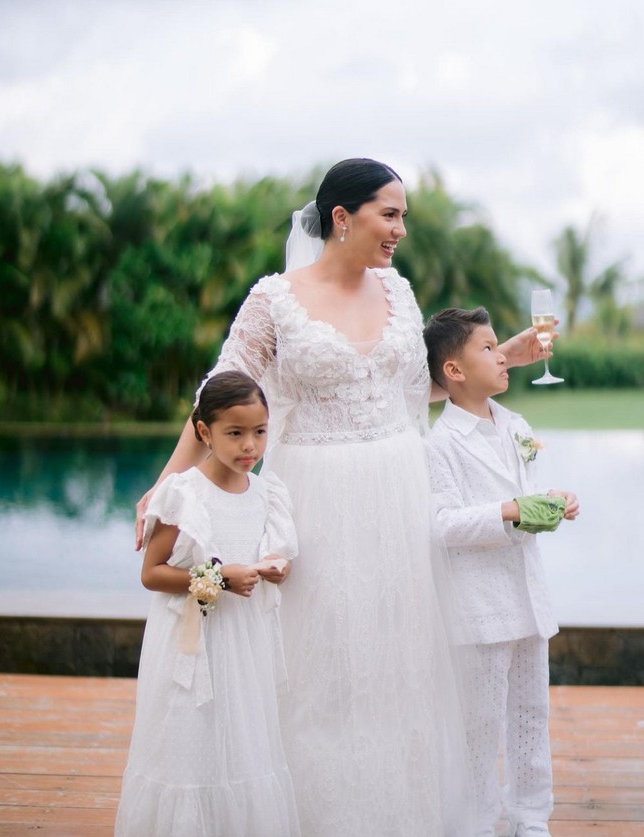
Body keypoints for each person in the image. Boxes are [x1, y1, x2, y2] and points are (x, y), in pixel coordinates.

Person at [135, 158, 555, 837]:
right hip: (316, 499)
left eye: (403, 215)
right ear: (341, 217)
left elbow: (412, 388)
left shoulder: (401, 292)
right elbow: (215, 398)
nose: (401, 229)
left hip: (399, 493)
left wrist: (504, 354)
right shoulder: (274, 299)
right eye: (390, 213)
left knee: (401, 669)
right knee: (317, 670)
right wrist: (167, 484)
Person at [116, 371, 301, 837]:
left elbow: (269, 559)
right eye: (234, 434)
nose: (249, 447)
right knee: (189, 742)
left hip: (243, 644)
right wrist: (216, 577)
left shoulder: (266, 493)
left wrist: (275, 568)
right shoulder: (183, 494)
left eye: (259, 432)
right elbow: (152, 575)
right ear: (204, 433)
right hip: (191, 644)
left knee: (239, 744)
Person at [423, 307, 580, 837]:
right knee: (479, 724)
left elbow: (527, 495)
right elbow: (441, 526)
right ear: (455, 371)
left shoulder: (516, 425)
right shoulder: (439, 444)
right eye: (488, 348)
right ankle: (474, 820)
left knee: (532, 716)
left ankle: (531, 816)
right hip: (479, 606)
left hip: (528, 598)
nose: (503, 354)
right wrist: (510, 511)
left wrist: (552, 500)